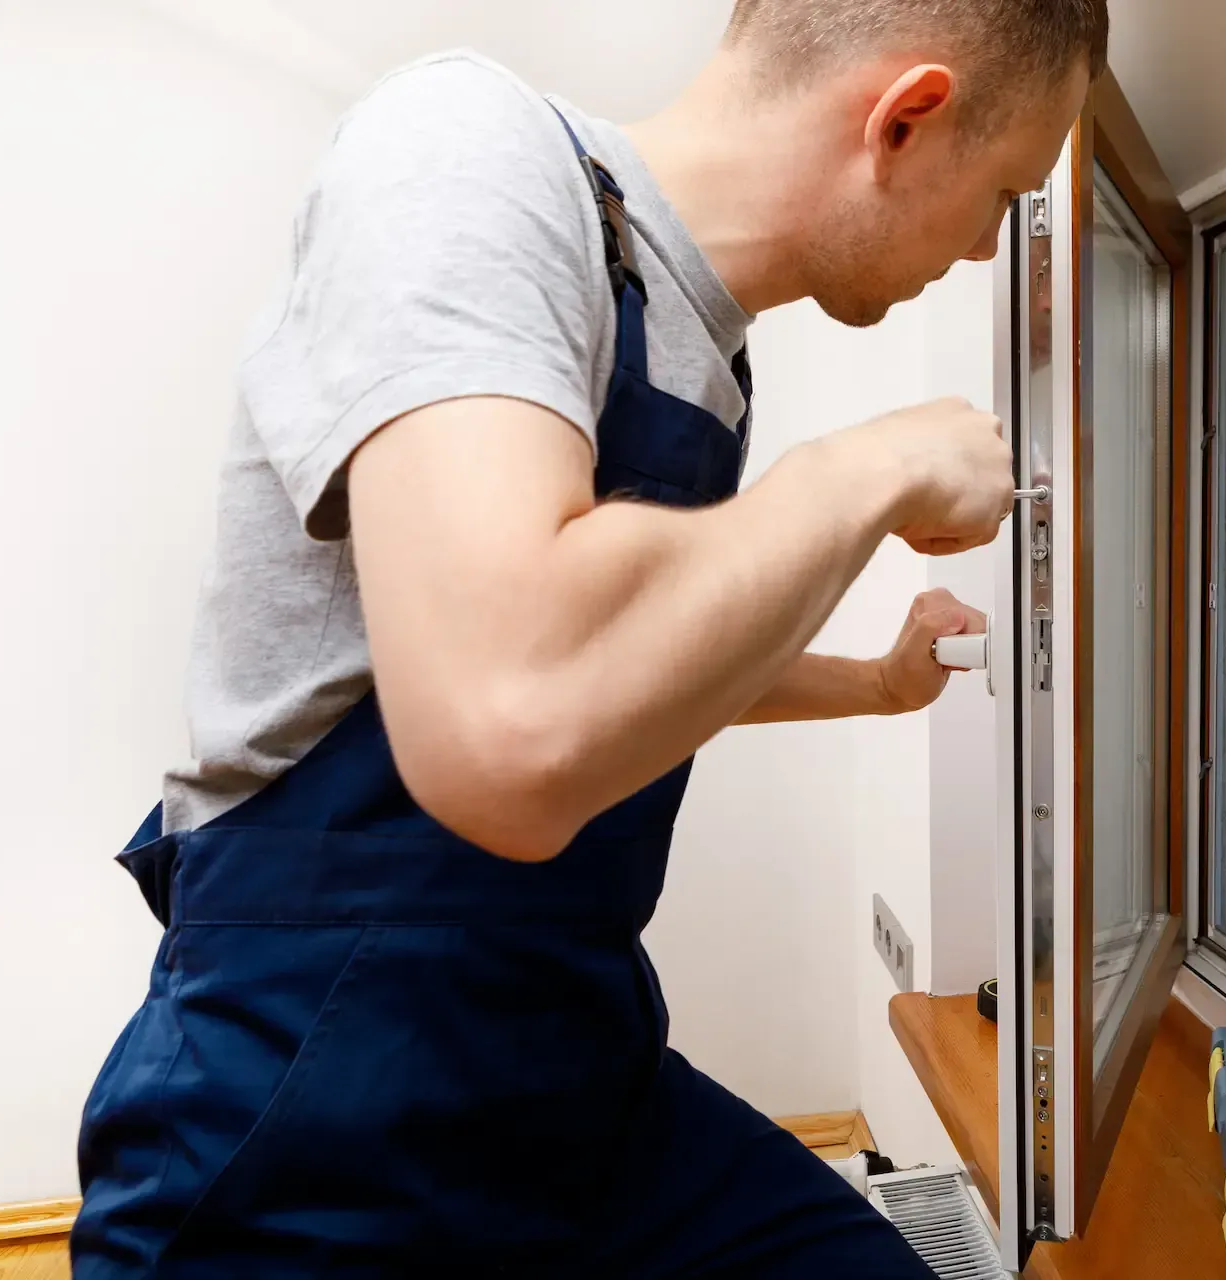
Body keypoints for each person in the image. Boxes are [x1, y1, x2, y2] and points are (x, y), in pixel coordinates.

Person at [71, 0, 1104, 1274]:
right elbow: (514, 712)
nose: (990, 243)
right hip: (313, 1094)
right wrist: (870, 468)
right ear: (908, 119)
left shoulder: (710, 353)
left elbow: (633, 657)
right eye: (1003, 193)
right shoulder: (465, 149)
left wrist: (878, 684)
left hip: (573, 1061)